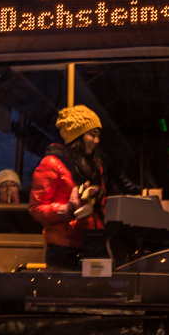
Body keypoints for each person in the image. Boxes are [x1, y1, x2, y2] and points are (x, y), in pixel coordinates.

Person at [29, 106, 106, 269]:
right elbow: (36, 208)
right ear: (77, 135)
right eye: (92, 134)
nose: (96, 141)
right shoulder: (51, 163)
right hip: (63, 250)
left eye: (98, 135)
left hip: (95, 245)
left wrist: (97, 199)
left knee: (95, 292)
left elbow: (103, 205)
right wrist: (67, 210)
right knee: (63, 292)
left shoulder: (96, 166)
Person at [0, 169, 40, 234]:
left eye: (13, 185)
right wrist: (2, 209)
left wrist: (16, 209)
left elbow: (34, 231)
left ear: (18, 189)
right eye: (3, 186)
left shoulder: (28, 204)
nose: (9, 189)